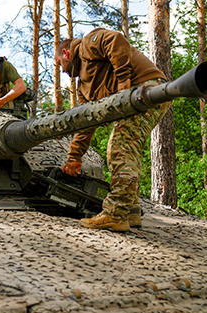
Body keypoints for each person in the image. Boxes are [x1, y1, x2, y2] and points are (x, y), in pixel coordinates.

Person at [55, 28, 170, 232]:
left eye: (59, 64)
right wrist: (74, 156)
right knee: (128, 148)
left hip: (147, 89)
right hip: (144, 96)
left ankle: (115, 214)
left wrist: (123, 80)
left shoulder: (86, 46)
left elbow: (114, 39)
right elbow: (86, 121)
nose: (62, 70)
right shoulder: (83, 87)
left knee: (120, 147)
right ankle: (130, 210)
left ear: (66, 54)